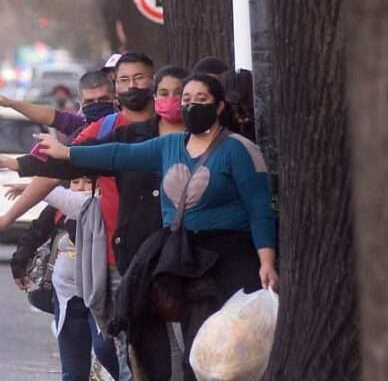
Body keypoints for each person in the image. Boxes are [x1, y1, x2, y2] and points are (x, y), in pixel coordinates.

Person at [29, 74, 279, 379]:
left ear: (219, 105)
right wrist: (68, 153)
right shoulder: (171, 144)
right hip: (187, 262)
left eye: (200, 100)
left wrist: (266, 261)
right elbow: (120, 154)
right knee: (195, 353)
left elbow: (259, 210)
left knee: (229, 353)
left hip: (231, 264)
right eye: (186, 100)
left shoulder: (237, 150)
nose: (189, 105)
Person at [0, 64, 189, 380]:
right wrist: (17, 177)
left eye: (140, 79)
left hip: (180, 256)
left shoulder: (199, 138)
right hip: (116, 259)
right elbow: (61, 163)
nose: (132, 86)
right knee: (119, 348)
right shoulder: (111, 130)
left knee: (179, 346)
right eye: (124, 80)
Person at [10, 178, 108, 381]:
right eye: (75, 182)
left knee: (106, 350)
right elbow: (35, 232)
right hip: (66, 296)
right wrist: (19, 265)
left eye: (88, 182)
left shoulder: (108, 205)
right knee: (73, 369)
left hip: (104, 295)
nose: (81, 188)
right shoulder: (60, 207)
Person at [0, 71, 116, 141]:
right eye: (90, 102)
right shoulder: (79, 127)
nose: (97, 106)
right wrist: (11, 103)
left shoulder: (127, 127)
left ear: (115, 99)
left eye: (103, 99)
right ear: (80, 103)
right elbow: (48, 116)